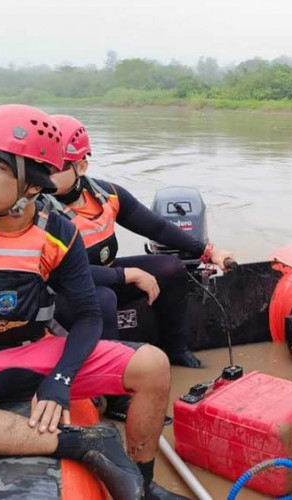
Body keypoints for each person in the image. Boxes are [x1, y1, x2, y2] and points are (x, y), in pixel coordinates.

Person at [0, 104, 187, 500]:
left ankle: (142, 483)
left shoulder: (58, 233)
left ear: (33, 186)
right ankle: (82, 442)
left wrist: (61, 380)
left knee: (153, 365)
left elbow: (90, 316)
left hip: (36, 352)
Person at [46, 114, 233, 369]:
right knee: (103, 299)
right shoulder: (37, 211)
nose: (42, 176)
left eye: (54, 167)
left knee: (171, 268)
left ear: (80, 167)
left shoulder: (106, 194)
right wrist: (126, 275)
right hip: (58, 294)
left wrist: (209, 252)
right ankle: (113, 381)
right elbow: (60, 276)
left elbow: (157, 227)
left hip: (106, 275)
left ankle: (175, 349)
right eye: (38, 165)